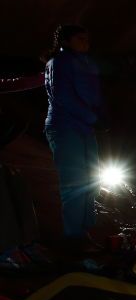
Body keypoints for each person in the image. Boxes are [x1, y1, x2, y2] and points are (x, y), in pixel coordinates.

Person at [42, 25, 105, 247]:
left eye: (87, 38)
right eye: (80, 38)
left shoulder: (86, 63)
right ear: (66, 41)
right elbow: (64, 98)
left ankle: (84, 231)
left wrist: (99, 115)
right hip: (65, 128)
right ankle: (73, 237)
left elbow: (93, 95)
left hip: (85, 128)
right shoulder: (58, 63)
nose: (86, 42)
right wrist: (92, 117)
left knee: (91, 180)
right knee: (75, 183)